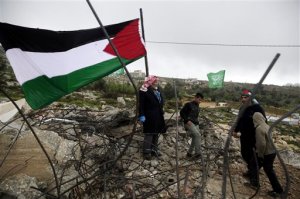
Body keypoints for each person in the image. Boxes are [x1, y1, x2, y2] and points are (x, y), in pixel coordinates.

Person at [233, 89, 266, 184]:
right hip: (244, 135)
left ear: (251, 98)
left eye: (246, 97)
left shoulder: (257, 108)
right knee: (245, 154)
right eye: (242, 97)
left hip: (255, 136)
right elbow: (239, 120)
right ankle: (251, 170)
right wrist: (236, 130)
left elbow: (264, 122)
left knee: (254, 157)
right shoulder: (242, 108)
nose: (243, 99)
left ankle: (254, 180)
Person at [252, 112, 283, 197]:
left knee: (265, 169)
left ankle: (278, 190)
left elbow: (261, 144)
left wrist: (260, 155)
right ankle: (254, 182)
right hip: (272, 152)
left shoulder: (259, 128)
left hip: (266, 153)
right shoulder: (267, 126)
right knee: (259, 167)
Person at [138, 75, 166, 160]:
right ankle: (146, 152)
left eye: (157, 81)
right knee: (149, 133)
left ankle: (154, 149)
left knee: (156, 132)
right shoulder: (144, 90)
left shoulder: (158, 90)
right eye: (155, 81)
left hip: (158, 114)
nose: (157, 82)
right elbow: (141, 104)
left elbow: (160, 102)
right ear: (151, 82)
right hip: (149, 115)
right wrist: (141, 115)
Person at [180, 92, 204, 159]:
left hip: (196, 124)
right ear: (195, 98)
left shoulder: (197, 106)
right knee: (197, 135)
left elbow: (195, 116)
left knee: (195, 138)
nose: (200, 101)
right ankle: (197, 153)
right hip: (189, 123)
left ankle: (189, 154)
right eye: (199, 99)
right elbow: (181, 112)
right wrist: (187, 120)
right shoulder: (188, 104)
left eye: (201, 100)